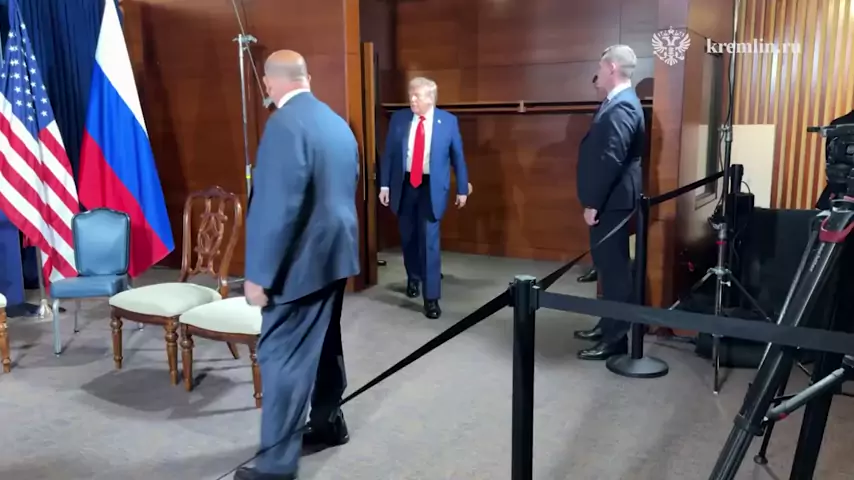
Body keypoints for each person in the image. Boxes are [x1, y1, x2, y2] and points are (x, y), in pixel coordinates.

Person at [239, 50, 360, 480]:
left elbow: (277, 208)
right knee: (325, 344)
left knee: (282, 358)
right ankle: (328, 422)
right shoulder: (336, 123)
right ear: (306, 77)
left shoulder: (283, 125)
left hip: (299, 265)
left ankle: (275, 467)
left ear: (270, 83)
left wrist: (259, 275)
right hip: (335, 257)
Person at [573, 45, 645, 361]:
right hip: (610, 200)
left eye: (601, 67)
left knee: (615, 272)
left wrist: (593, 203)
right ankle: (606, 326)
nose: (598, 73)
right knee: (606, 267)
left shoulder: (623, 105)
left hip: (612, 201)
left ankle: (615, 339)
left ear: (612, 67)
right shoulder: (615, 102)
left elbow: (612, 158)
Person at [379, 77, 469, 319]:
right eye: (411, 95)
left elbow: (458, 157)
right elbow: (389, 154)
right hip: (405, 185)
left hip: (431, 188)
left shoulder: (447, 122)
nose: (412, 100)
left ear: (431, 98)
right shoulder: (399, 119)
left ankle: (431, 298)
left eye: (417, 96)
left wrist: (462, 188)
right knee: (408, 237)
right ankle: (413, 277)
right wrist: (384, 185)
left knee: (430, 242)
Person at [577, 74, 605, 285]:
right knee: (596, 231)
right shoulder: (602, 109)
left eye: (598, 86)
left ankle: (602, 270)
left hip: (607, 184)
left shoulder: (619, 108)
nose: (597, 90)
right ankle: (598, 266)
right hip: (596, 180)